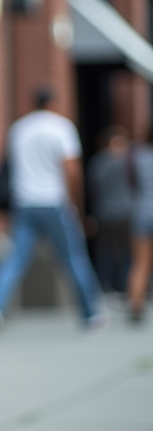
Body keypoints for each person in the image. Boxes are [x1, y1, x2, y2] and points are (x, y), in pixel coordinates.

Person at [0, 87, 105, 336]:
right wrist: (77, 204)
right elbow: (72, 170)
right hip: (55, 202)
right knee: (74, 258)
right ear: (54, 102)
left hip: (24, 203)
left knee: (14, 260)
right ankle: (91, 314)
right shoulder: (61, 127)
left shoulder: (19, 128)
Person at [86, 126, 132, 300]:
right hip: (128, 211)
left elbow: (93, 188)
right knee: (128, 251)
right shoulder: (130, 160)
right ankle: (125, 287)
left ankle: (105, 286)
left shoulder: (98, 162)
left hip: (104, 212)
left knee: (106, 251)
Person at [126, 126, 153, 324]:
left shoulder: (137, 155)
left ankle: (136, 305)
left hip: (142, 211)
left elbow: (131, 183)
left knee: (140, 263)